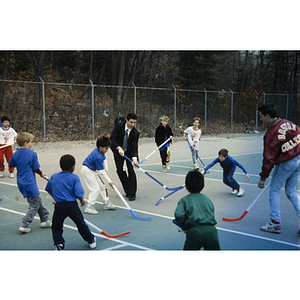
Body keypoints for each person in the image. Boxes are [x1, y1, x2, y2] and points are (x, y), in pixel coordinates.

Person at [257, 103, 300, 235]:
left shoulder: (271, 134)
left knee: (274, 190)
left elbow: (268, 158)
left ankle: (275, 223)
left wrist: (263, 177)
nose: (260, 119)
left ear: (268, 116)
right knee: (291, 191)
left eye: (261, 117)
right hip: (299, 160)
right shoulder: (290, 124)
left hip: (287, 163)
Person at [46, 154, 96, 250]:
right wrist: (81, 200)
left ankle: (59, 243)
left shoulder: (54, 177)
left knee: (56, 226)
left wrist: (55, 198)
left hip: (60, 206)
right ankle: (91, 240)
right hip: (72, 206)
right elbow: (78, 193)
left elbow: (49, 189)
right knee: (81, 224)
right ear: (73, 167)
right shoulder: (74, 177)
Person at [8, 132, 52, 233]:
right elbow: (36, 168)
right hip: (29, 183)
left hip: (21, 182)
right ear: (25, 143)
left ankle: (45, 219)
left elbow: (11, 164)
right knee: (34, 204)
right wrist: (41, 173)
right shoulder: (32, 154)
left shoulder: (15, 154)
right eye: (31, 142)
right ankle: (24, 224)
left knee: (36, 200)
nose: (32, 144)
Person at [174, 170, 221, 250]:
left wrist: (185, 226)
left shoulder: (184, 200)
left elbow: (179, 214)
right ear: (203, 185)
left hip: (194, 232)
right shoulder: (208, 200)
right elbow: (211, 213)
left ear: (186, 186)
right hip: (211, 231)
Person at [81, 134, 116, 214]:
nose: (107, 150)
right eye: (106, 148)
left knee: (102, 186)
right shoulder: (97, 156)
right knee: (95, 189)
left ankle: (106, 203)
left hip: (92, 171)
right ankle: (89, 207)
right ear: (100, 147)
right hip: (87, 171)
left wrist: (106, 169)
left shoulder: (101, 151)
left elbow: (104, 159)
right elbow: (101, 172)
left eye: (108, 148)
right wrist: (110, 182)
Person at [110, 113, 140, 201]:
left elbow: (134, 147)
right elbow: (112, 138)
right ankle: (127, 190)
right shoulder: (119, 126)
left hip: (129, 153)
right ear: (127, 121)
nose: (133, 124)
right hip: (118, 150)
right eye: (131, 122)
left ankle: (132, 192)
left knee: (131, 170)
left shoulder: (135, 133)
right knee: (119, 169)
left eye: (134, 123)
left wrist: (134, 158)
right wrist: (118, 148)